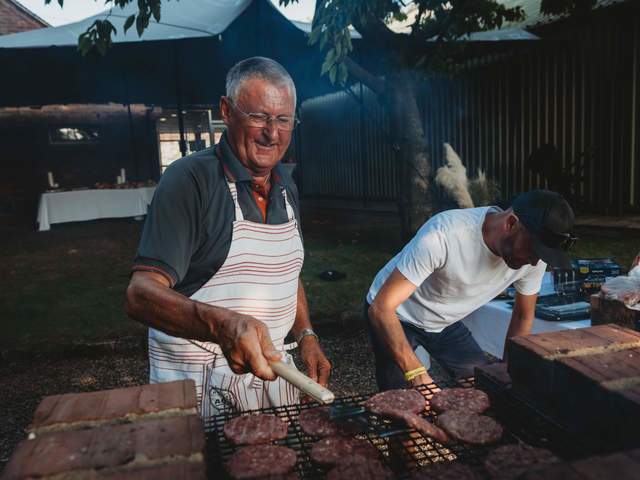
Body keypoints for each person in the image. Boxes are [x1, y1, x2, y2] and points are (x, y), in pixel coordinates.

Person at [125, 57, 331, 416]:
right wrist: (221, 325)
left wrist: (305, 334)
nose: (272, 133)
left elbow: (285, 272)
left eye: (283, 120)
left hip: (273, 374)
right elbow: (139, 295)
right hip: (199, 384)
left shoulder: (285, 185)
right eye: (259, 117)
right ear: (226, 110)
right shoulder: (190, 180)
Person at [365, 190, 576, 390]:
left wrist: (507, 368)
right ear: (511, 223)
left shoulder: (532, 261)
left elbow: (522, 316)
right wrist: (417, 374)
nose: (534, 261)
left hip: (445, 322)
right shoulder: (445, 235)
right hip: (397, 314)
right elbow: (381, 309)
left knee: (482, 386)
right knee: (403, 399)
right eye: (533, 250)